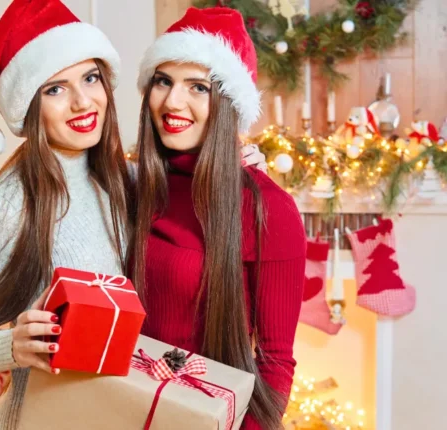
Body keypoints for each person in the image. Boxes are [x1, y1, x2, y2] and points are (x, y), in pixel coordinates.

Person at [0, 2, 266, 427]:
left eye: (90, 78)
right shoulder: (6, 205)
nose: (81, 101)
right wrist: (13, 347)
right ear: (29, 106)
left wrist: (233, 166)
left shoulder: (122, 178)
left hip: (120, 411)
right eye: (55, 89)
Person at [127, 7, 307, 429]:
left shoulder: (267, 208)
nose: (173, 101)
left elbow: (276, 360)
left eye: (198, 87)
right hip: (120, 408)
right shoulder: (133, 186)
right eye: (163, 81)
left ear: (228, 101)